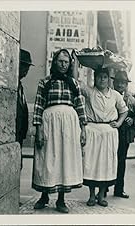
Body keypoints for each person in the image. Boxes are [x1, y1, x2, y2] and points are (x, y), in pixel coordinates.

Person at [32, 49, 87, 213]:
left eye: (66, 62)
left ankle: (61, 200)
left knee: (65, 159)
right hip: (49, 123)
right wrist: (39, 128)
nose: (63, 64)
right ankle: (44, 196)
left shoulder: (74, 83)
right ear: (55, 62)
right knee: (47, 158)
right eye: (60, 61)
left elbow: (80, 106)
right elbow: (38, 106)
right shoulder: (45, 82)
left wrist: (83, 129)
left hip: (69, 125)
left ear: (70, 64)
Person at [78, 66, 128, 207]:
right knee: (92, 164)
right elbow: (76, 82)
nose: (102, 79)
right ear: (95, 78)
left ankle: (101, 196)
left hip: (109, 132)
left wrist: (118, 122)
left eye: (104, 77)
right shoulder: (89, 91)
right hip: (92, 130)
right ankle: (92, 196)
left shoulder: (115, 95)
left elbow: (124, 111)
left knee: (105, 164)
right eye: (99, 76)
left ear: (108, 79)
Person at [112, 70, 135, 198]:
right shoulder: (108, 95)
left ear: (126, 85)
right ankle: (102, 190)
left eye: (123, 83)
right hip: (110, 131)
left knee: (121, 160)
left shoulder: (131, 99)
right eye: (118, 82)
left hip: (124, 133)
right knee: (106, 160)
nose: (120, 85)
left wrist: (132, 120)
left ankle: (119, 189)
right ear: (113, 82)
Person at [16, 49, 34, 169]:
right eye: (24, 66)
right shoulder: (13, 85)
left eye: (28, 67)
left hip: (19, 136)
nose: (26, 70)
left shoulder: (20, 86)